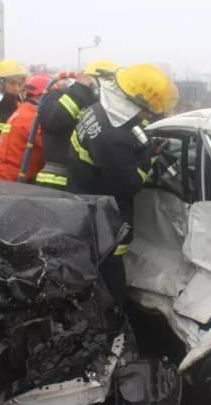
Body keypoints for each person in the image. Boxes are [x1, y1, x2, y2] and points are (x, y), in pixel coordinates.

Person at [66, 64, 179, 302]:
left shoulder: (99, 110)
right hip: (103, 219)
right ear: (135, 101)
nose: (149, 116)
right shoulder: (112, 138)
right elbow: (129, 186)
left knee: (93, 266)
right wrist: (150, 154)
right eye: (148, 111)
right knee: (109, 272)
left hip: (82, 199)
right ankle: (114, 320)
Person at [33, 59, 119, 189]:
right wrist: (79, 91)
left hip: (87, 183)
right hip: (57, 183)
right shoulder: (59, 95)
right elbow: (52, 121)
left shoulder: (104, 106)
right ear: (91, 79)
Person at [0, 75, 51, 181]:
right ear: (39, 97)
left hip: (4, 177)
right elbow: (50, 144)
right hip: (10, 182)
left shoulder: (24, 111)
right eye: (52, 98)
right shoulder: (29, 118)